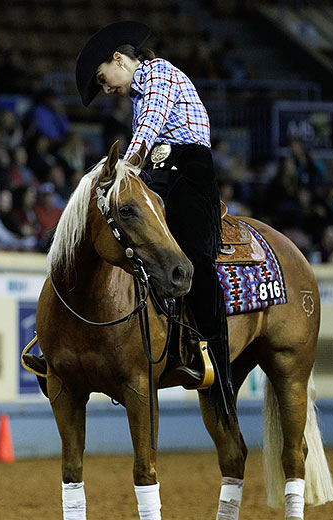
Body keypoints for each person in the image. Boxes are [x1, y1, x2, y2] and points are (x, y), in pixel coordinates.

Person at [75, 21, 234, 420]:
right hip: (157, 176)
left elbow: (147, 132)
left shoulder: (159, 73)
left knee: (193, 256)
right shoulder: (138, 95)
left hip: (189, 174)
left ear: (118, 59)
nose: (107, 87)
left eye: (103, 79)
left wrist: (122, 171)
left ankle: (217, 363)